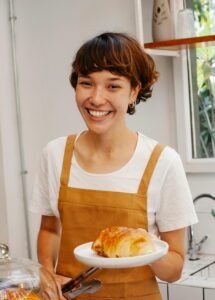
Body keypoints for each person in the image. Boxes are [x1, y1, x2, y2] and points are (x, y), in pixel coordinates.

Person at [31, 32, 198, 300]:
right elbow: (50, 228)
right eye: (87, 83)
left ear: (134, 91)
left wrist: (147, 247)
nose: (96, 99)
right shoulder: (54, 154)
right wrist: (46, 271)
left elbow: (174, 270)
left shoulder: (163, 162)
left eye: (113, 86)